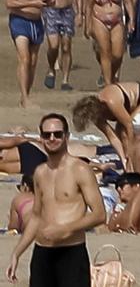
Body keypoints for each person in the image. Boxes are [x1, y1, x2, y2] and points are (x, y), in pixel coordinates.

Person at [5, 114, 106, 287]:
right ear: (41, 138)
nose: (52, 138)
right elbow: (37, 216)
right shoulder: (39, 172)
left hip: (71, 253)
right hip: (42, 253)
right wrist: (17, 252)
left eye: (57, 134)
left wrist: (64, 229)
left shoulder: (80, 170)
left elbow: (99, 215)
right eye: (47, 135)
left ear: (66, 137)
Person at [70, 81, 140, 166]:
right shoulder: (95, 115)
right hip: (129, 105)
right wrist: (123, 159)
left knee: (124, 131)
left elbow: (129, 126)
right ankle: (127, 163)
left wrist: (129, 151)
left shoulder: (111, 102)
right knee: (120, 132)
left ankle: (135, 160)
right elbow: (112, 137)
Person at [41, 0, 79, 91]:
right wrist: (42, 2)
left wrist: (80, 12)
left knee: (66, 46)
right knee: (54, 45)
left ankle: (65, 80)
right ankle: (51, 69)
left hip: (67, 11)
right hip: (52, 11)